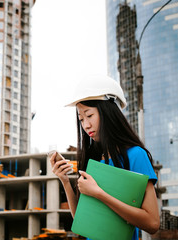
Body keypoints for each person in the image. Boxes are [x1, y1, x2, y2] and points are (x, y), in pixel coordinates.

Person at [50, 75, 160, 239]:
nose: (86, 125)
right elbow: (83, 221)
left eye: (89, 115)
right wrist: (65, 181)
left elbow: (152, 223)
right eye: (81, 119)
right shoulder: (94, 159)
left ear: (108, 112)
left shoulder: (136, 155)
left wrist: (99, 193)